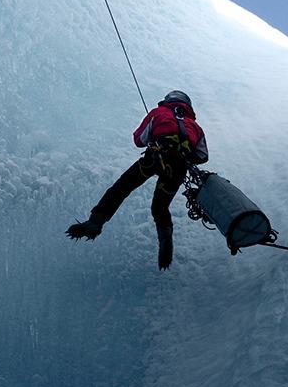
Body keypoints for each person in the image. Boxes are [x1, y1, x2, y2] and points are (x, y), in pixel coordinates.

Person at [66, 89, 208, 269]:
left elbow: (138, 140)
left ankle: (95, 222)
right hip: (177, 169)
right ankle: (166, 241)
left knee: (121, 188)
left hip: (154, 158)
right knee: (160, 207)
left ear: (168, 101)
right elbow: (202, 156)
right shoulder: (196, 127)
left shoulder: (158, 113)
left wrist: (157, 135)